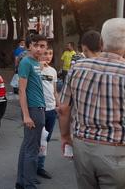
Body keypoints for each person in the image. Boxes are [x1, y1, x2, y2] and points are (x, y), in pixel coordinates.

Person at [59, 18, 125, 188]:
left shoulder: (78, 67)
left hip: (82, 147)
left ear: (102, 41)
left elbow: (64, 108)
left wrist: (65, 136)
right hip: (116, 151)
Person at [15, 34, 47, 189]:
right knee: (32, 150)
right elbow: (21, 91)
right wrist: (26, 115)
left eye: (43, 46)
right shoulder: (26, 62)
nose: (40, 49)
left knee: (27, 146)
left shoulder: (35, 62)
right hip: (33, 110)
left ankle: (22, 182)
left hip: (38, 108)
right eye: (36, 45)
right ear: (29, 46)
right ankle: (29, 184)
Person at [36, 45, 59, 180]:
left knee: (46, 140)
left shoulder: (53, 71)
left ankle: (40, 167)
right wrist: (40, 66)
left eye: (50, 54)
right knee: (38, 139)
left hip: (51, 109)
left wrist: (58, 105)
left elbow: (54, 90)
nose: (48, 56)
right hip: (39, 109)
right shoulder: (35, 69)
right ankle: (33, 167)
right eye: (45, 53)